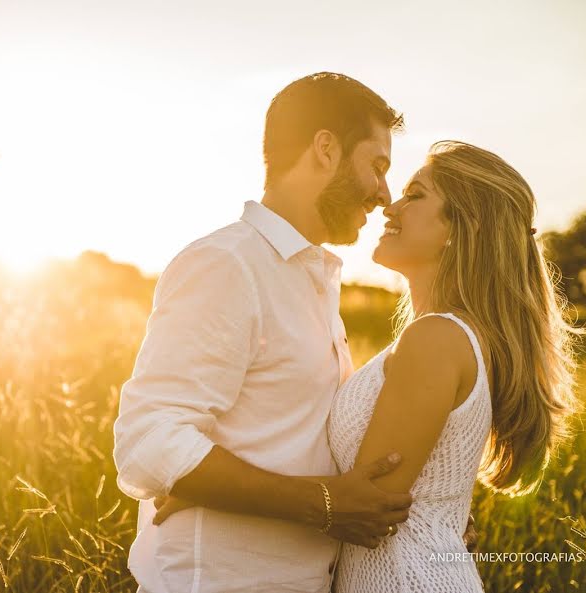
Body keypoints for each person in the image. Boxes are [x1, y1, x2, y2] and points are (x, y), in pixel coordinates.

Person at [155, 141, 582, 592]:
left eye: (416, 196)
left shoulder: (436, 339)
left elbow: (364, 509)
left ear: (460, 228)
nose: (390, 206)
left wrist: (210, 490)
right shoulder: (441, 335)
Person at [113, 72, 410, 593]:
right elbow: (150, 438)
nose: (385, 194)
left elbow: (285, 441)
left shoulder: (313, 279)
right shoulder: (228, 264)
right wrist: (322, 504)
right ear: (326, 148)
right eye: (377, 165)